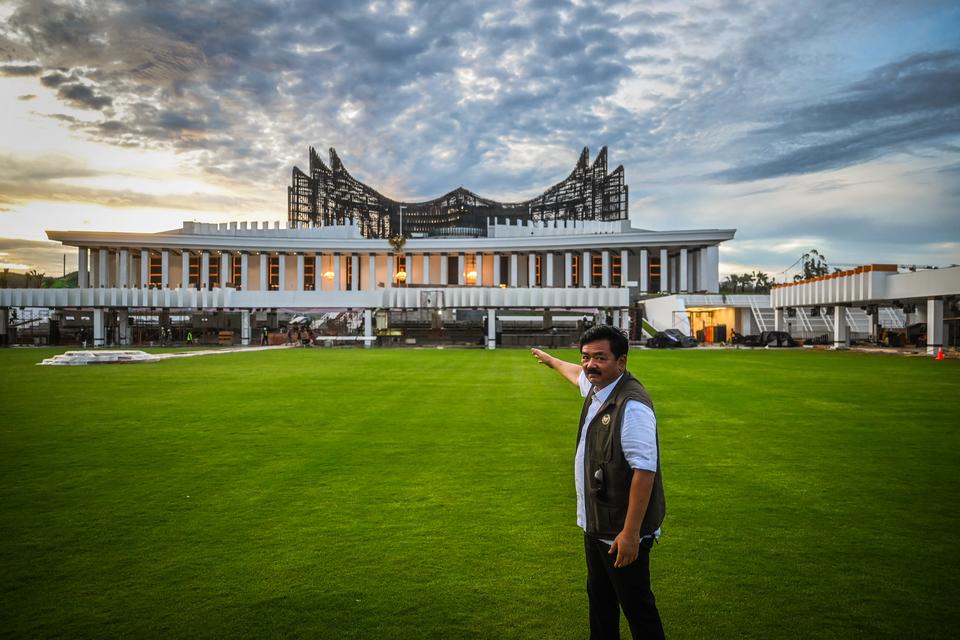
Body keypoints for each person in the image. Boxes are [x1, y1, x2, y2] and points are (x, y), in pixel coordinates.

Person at [532, 325, 666, 640]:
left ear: (621, 361)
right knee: (601, 604)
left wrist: (631, 534)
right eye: (586, 357)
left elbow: (645, 471)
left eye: (600, 358)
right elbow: (573, 373)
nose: (590, 364)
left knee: (637, 609)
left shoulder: (631, 405)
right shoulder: (599, 387)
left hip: (619, 532)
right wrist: (550, 360)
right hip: (597, 525)